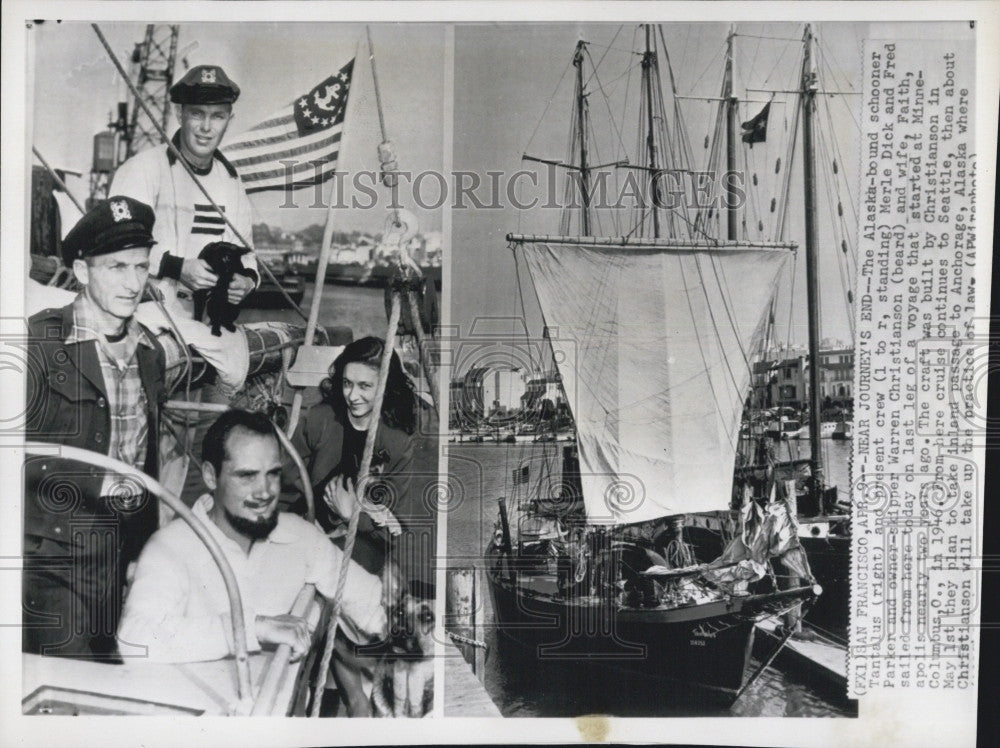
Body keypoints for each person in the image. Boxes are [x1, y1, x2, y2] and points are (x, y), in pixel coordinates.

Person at [117, 409, 386, 664]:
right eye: (247, 476)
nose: (265, 492)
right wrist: (255, 628)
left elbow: (374, 604)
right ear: (211, 476)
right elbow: (134, 640)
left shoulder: (300, 536)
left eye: (273, 474)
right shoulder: (170, 546)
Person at [23, 196, 167, 659]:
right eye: (116, 268)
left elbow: (146, 460)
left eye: (141, 268)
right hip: (51, 556)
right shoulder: (39, 346)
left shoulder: (151, 354)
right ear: (83, 272)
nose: (133, 284)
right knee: (66, 681)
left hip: (120, 547)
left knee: (116, 666)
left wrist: (144, 551)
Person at [286, 336, 430, 716]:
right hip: (312, 531)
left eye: (366, 386)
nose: (353, 396)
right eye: (347, 383)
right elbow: (286, 483)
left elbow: (396, 524)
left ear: (386, 387)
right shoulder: (319, 421)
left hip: (366, 542)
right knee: (316, 582)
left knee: (330, 590)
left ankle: (353, 700)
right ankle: (348, 698)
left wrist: (355, 516)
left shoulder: (398, 443)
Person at [109, 64, 259, 320]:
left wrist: (247, 280)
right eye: (197, 114)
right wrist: (177, 268)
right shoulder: (142, 169)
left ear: (229, 120)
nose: (206, 127)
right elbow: (116, 242)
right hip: (146, 316)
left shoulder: (232, 182)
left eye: (218, 116)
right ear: (180, 114)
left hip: (209, 321)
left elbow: (247, 253)